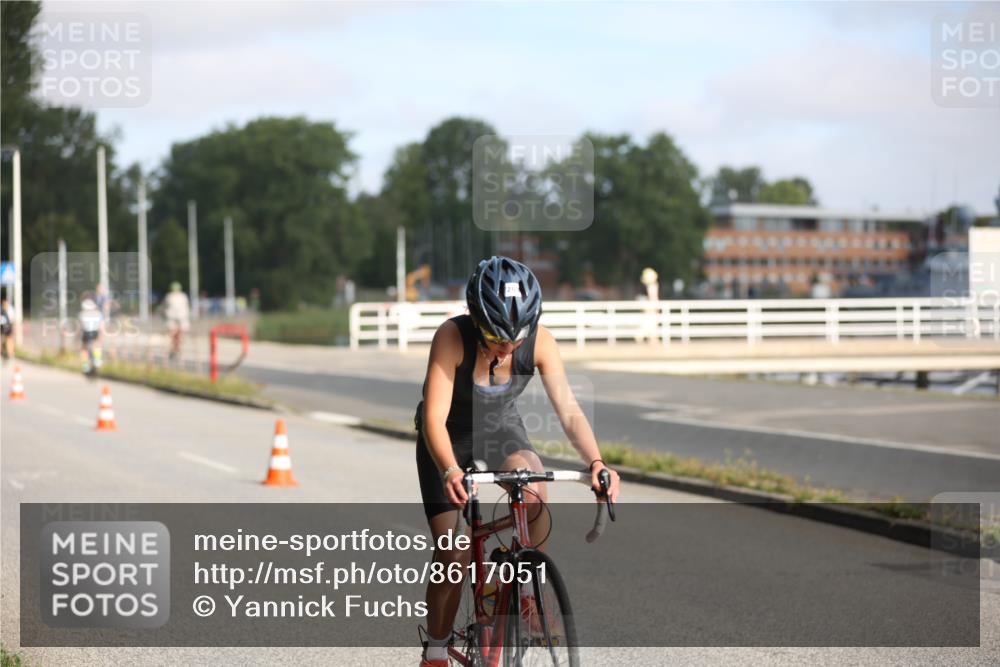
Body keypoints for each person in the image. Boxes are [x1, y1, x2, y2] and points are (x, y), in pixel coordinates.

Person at [415, 256, 621, 667]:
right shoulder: (451, 337)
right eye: (494, 335)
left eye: (516, 336)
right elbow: (434, 419)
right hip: (447, 439)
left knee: (532, 479)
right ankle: (436, 650)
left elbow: (569, 411)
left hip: (500, 429)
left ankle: (527, 589)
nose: (506, 346)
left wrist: (597, 462)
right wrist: (451, 469)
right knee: (453, 554)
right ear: (475, 319)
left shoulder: (541, 341)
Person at [162, 282, 191, 361]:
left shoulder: (169, 296)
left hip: (173, 319)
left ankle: (173, 350)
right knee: (180, 336)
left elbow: (164, 307)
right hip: (181, 319)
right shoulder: (183, 296)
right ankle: (178, 351)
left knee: (171, 335)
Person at [79, 297, 104, 374]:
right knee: (97, 345)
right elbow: (101, 326)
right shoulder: (98, 313)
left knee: (84, 349)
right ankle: (97, 360)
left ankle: (85, 366)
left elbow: (81, 326)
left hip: (86, 332)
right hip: (95, 332)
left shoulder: (82, 314)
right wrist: (101, 336)